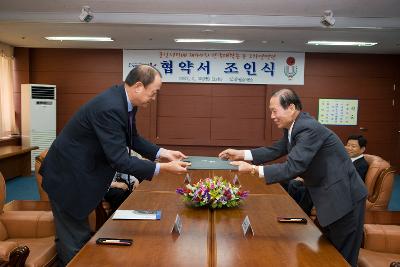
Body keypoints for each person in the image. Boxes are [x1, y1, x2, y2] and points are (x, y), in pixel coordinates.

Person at [39, 65, 190, 266]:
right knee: (74, 240)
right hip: (69, 177)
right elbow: (119, 159)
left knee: (72, 236)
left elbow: (132, 138)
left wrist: (163, 153)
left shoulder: (124, 102)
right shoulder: (110, 107)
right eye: (153, 93)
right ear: (138, 86)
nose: (154, 98)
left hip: (80, 173)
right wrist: (162, 168)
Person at [218, 88, 367, 267]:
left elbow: (294, 166)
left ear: (290, 107)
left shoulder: (308, 128)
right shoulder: (294, 127)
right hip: (329, 197)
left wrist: (253, 170)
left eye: (274, 111)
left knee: (342, 258)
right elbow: (275, 150)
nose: (272, 116)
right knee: (329, 254)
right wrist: (240, 154)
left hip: (344, 198)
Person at [287, 134, 369, 215]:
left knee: (310, 189)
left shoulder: (362, 165)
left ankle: (302, 214)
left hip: (340, 190)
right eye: (348, 145)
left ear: (362, 149)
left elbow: (352, 183)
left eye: (353, 146)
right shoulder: (345, 159)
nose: (349, 148)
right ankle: (293, 210)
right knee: (294, 184)